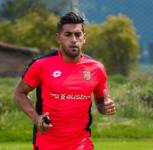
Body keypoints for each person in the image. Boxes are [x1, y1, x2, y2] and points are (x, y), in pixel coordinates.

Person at [14, 12, 116, 150]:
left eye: (78, 34)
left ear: (84, 38)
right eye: (68, 34)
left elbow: (100, 102)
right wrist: (36, 118)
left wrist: (106, 107)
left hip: (82, 143)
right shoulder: (41, 65)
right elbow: (19, 93)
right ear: (59, 38)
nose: (73, 39)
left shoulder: (96, 68)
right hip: (46, 144)